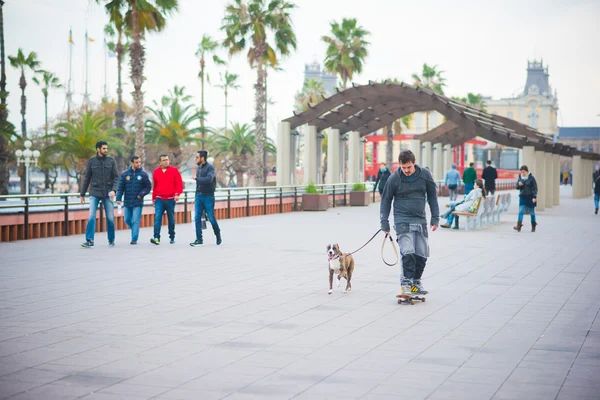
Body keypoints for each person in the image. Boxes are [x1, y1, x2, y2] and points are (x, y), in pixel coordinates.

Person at [380, 150, 439, 296]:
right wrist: (384, 222)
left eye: (409, 167)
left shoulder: (425, 175)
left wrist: (435, 218)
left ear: (414, 163)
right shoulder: (394, 178)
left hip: (420, 220)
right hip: (402, 221)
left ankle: (415, 283)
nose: (406, 170)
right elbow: (386, 200)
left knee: (422, 254)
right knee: (408, 252)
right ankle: (406, 283)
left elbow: (432, 197)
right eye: (403, 167)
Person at [80, 141, 120, 248]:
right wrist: (82, 194)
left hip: (108, 193)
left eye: (107, 148)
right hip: (94, 192)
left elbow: (116, 177)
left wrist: (114, 191)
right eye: (104, 148)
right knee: (92, 216)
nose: (106, 150)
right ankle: (89, 240)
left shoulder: (111, 161)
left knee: (110, 218)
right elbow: (87, 178)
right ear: (98, 149)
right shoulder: (91, 162)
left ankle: (111, 239)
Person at [116, 156, 152, 244]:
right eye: (136, 162)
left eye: (139, 162)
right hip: (127, 201)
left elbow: (148, 187)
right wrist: (118, 198)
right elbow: (120, 188)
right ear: (132, 163)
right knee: (127, 220)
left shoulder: (143, 174)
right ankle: (135, 230)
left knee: (135, 220)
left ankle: (134, 238)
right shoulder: (125, 174)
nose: (138, 164)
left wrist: (141, 194)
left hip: (138, 202)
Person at [190, 150, 222, 247]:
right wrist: (196, 196)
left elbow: (208, 180)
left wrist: (196, 178)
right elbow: (198, 184)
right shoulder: (199, 168)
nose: (196, 159)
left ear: (202, 158)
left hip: (208, 196)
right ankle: (199, 239)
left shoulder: (210, 168)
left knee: (211, 217)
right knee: (197, 217)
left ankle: (217, 234)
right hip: (199, 196)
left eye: (197, 157)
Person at [150, 155, 183, 245]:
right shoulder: (156, 172)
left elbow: (179, 184)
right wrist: (153, 198)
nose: (166, 162)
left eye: (167, 160)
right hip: (159, 199)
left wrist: (177, 194)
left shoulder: (174, 171)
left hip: (170, 199)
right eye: (164, 160)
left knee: (171, 219)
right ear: (160, 162)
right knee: (157, 218)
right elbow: (155, 186)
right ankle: (156, 237)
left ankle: (172, 236)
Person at [514, 165, 538, 232]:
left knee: (532, 213)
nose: (522, 173)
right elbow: (517, 187)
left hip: (530, 197)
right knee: (521, 211)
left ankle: (533, 226)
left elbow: (535, 188)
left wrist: (534, 197)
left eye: (523, 172)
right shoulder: (520, 178)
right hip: (522, 197)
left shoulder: (531, 178)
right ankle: (518, 226)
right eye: (521, 172)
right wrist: (519, 185)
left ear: (527, 171)